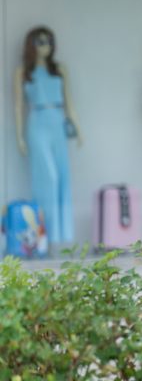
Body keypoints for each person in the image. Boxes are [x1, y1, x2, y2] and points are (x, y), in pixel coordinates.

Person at [13, 26, 82, 246]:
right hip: (37, 122)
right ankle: (44, 237)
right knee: (47, 178)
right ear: (31, 44)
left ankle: (62, 239)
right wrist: (19, 136)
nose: (46, 46)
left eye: (49, 41)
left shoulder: (59, 69)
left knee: (62, 178)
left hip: (57, 121)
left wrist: (78, 128)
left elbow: (69, 102)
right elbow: (18, 106)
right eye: (40, 41)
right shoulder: (23, 71)